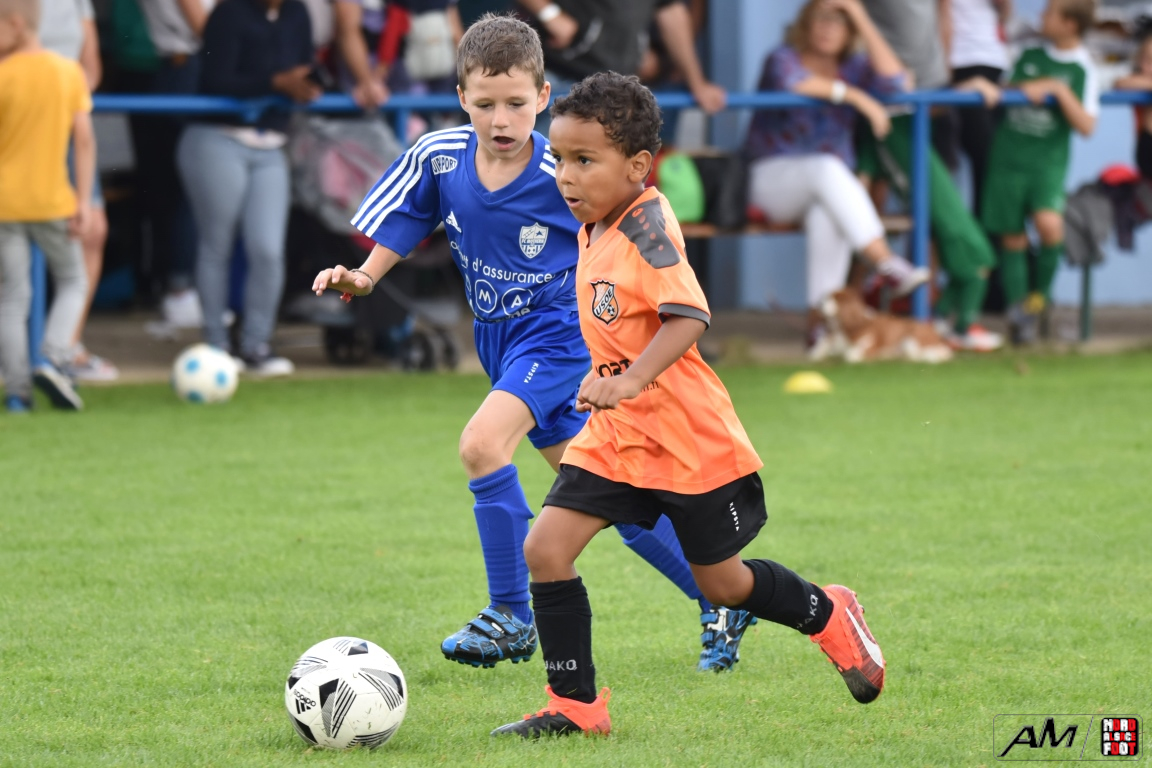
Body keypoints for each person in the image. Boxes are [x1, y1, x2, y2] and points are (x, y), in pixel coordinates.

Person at [312, 14, 756, 673]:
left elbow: (629, 220)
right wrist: (366, 276)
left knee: (481, 444)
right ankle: (720, 596)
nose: (501, 119)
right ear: (461, 97)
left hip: (560, 338)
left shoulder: (562, 167)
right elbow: (408, 218)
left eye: (517, 104)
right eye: (485, 104)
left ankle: (511, 615)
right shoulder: (439, 157)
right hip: (500, 343)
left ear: (543, 97)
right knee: (615, 498)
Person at [491, 72, 886, 738]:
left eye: (584, 160)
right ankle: (576, 706)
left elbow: (689, 315)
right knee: (546, 549)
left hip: (686, 438)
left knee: (722, 587)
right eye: (560, 158)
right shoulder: (593, 221)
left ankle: (828, 612)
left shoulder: (647, 225)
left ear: (637, 166)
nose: (566, 176)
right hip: (618, 436)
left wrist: (629, 379)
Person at [743, 0, 929, 351]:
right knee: (827, 168)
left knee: (827, 213)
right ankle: (885, 262)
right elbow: (794, 83)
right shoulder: (783, 57)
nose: (829, 28)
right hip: (768, 179)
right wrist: (856, 96)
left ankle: (820, 328)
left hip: (825, 188)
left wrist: (859, 14)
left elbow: (896, 81)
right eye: (822, 18)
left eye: (840, 22)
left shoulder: (853, 66)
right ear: (806, 22)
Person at [177, 0, 319, 375]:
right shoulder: (228, 12)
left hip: (270, 142)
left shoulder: (297, 12)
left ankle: (257, 345)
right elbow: (215, 79)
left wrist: (306, 83)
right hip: (217, 136)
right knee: (217, 243)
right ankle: (216, 344)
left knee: (268, 249)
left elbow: (304, 66)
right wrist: (275, 82)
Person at [858, 0, 1003, 352]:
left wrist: (963, 86)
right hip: (894, 125)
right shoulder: (868, 58)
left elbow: (931, 93)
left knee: (970, 250)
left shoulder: (931, 51)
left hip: (922, 117)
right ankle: (950, 325)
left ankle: (942, 322)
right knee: (971, 251)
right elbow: (895, 81)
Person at [981, 0, 1097, 345]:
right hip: (1008, 158)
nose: (1041, 17)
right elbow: (1000, 90)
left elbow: (1087, 125)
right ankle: (1019, 315)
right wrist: (1022, 89)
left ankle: (1039, 300)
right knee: (1012, 236)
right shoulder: (1027, 54)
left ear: (1070, 24)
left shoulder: (1083, 67)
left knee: (1049, 224)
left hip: (1046, 163)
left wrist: (1058, 90)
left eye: (1049, 13)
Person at [0, 0, 90, 412]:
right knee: (73, 280)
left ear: (16, 24)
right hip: (53, 200)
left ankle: (17, 393)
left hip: (5, 204)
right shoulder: (67, 71)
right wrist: (83, 199)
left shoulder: (3, 75)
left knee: (12, 297)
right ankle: (53, 358)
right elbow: (84, 141)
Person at [38, 0, 117, 381]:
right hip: (15, 122)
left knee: (92, 230)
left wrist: (64, 98)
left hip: (68, 123)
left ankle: (63, 349)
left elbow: (91, 68)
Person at [515, 0, 727, 134]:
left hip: (616, 88)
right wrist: (549, 13)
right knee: (535, 169)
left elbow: (671, 12)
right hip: (557, 74)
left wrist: (697, 83)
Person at [133, 0, 215, 331]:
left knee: (191, 189)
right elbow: (210, 29)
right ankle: (182, 290)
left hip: (192, 69)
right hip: (185, 70)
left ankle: (189, 289)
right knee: (187, 190)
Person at [946, 0, 1012, 216]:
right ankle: (982, 232)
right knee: (982, 155)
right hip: (962, 63)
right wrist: (946, 73)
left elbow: (1006, 11)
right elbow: (943, 15)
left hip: (995, 64)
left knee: (993, 157)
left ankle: (989, 228)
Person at [1114, 29, 1152, 180]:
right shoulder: (1136, 82)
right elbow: (1120, 83)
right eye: (1146, 60)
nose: (1148, 67)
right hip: (1145, 152)